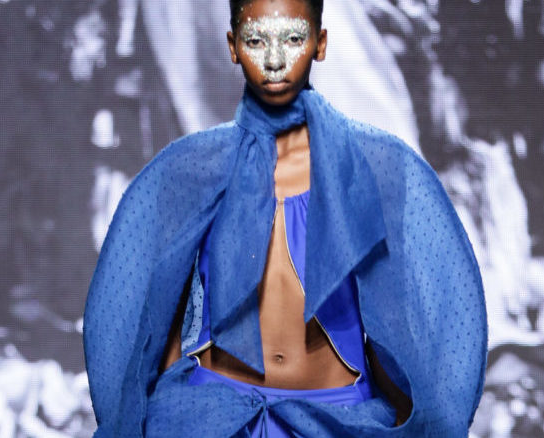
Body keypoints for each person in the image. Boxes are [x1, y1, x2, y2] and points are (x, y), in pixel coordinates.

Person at [82, 0, 488, 436]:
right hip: (212, 416)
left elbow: (442, 318)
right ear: (233, 46)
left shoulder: (377, 167)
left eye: (293, 38)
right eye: (256, 40)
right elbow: (134, 316)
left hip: (333, 420)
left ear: (320, 43)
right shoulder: (188, 169)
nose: (274, 59)